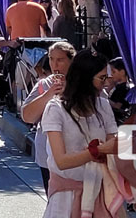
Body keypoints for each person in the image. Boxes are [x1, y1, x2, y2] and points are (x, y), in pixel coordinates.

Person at [41, 49, 121, 217]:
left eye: (106, 77)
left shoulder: (103, 105)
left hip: (101, 193)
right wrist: (99, 151)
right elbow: (61, 161)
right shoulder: (55, 109)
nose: (106, 83)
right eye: (102, 78)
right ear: (85, 78)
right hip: (66, 198)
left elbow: (112, 149)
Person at [20, 40, 76, 192]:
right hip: (48, 154)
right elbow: (27, 116)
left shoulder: (81, 84)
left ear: (71, 61)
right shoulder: (44, 85)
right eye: (51, 59)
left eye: (60, 60)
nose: (55, 65)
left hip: (76, 152)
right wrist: (49, 94)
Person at [105, 57, 136, 125]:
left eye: (114, 72)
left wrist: (104, 100)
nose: (111, 74)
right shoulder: (118, 87)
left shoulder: (123, 88)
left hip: (118, 120)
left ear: (122, 72)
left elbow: (118, 105)